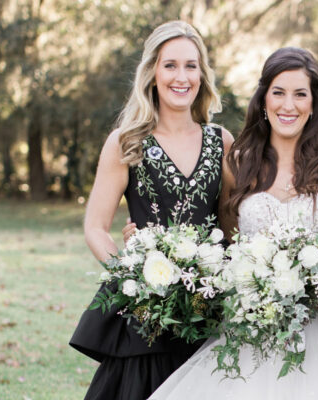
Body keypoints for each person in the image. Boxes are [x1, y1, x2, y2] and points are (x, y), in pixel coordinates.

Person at [149, 47, 318, 400]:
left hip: (314, 332)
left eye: (300, 94)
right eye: (278, 92)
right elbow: (228, 245)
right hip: (248, 327)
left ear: (313, 104)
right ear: (263, 100)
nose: (288, 105)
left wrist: (305, 283)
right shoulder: (237, 164)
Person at [69, 20, 233, 400]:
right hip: (147, 318)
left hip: (207, 310)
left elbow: (230, 225)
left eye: (191, 66)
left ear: (202, 75)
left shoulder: (221, 141)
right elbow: (95, 227)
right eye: (170, 65)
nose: (181, 77)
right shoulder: (127, 142)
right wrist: (132, 276)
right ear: (152, 73)